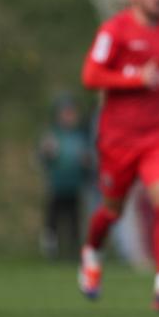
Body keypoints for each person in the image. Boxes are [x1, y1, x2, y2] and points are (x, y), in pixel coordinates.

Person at [80, 0, 159, 313]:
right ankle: (92, 252)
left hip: (158, 134)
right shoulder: (115, 30)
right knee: (112, 210)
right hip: (118, 139)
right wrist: (133, 77)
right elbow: (91, 74)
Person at [39, 93, 92, 261]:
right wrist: (46, 153)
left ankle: (73, 253)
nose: (69, 117)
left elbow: (89, 160)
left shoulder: (80, 135)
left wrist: (87, 162)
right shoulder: (53, 135)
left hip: (74, 185)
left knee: (74, 221)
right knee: (53, 219)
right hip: (57, 185)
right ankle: (51, 250)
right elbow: (42, 158)